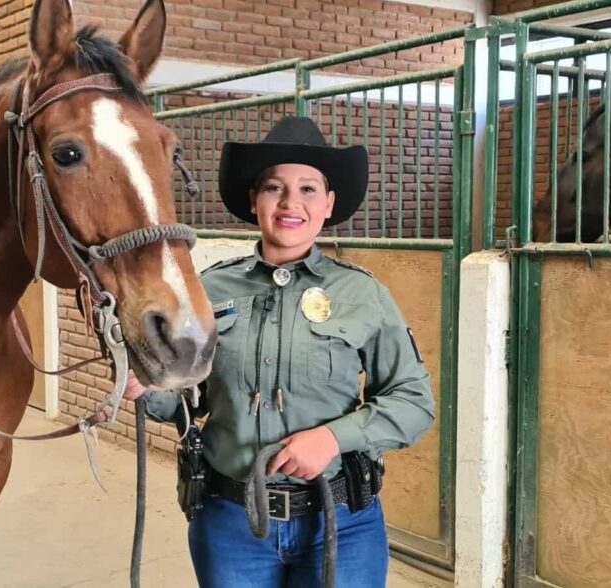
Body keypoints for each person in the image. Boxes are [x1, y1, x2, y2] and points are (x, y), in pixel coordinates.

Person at [124, 117, 435, 587]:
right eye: (275, 187)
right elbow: (187, 400)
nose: (292, 203)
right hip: (230, 522)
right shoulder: (210, 289)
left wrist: (333, 438)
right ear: (255, 199)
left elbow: (413, 402)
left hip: (340, 525)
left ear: (329, 204)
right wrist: (143, 386)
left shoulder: (362, 295)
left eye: (309, 189)